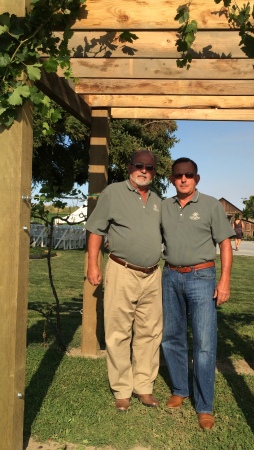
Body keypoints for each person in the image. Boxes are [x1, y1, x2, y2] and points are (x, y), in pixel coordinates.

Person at [161, 157, 235, 430]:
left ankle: (204, 406)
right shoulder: (164, 207)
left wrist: (224, 281)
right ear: (171, 179)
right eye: (178, 175)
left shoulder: (211, 205)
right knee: (171, 336)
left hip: (202, 278)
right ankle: (180, 390)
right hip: (169, 276)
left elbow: (225, 244)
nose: (183, 179)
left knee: (204, 343)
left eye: (188, 174)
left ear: (197, 178)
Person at [85, 150, 162, 412]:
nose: (144, 170)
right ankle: (121, 389)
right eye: (139, 165)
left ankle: (144, 386)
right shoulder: (113, 193)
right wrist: (93, 264)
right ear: (129, 167)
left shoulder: (157, 200)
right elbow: (96, 229)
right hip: (122, 270)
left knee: (149, 332)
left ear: (154, 171)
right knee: (118, 331)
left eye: (149, 167)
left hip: (153, 274)